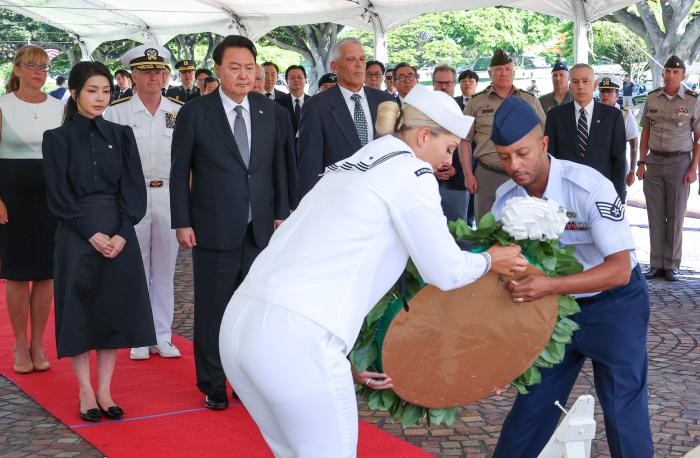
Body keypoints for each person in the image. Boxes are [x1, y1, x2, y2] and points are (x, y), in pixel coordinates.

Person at [219, 84, 527, 457]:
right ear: (423, 135)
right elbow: (444, 270)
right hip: (296, 337)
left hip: (241, 324)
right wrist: (492, 259)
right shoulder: (410, 171)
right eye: (447, 149)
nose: (445, 163)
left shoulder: (358, 161)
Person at [489, 96, 653, 458]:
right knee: (530, 410)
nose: (514, 166)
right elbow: (505, 277)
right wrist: (501, 351)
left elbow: (619, 269)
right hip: (554, 312)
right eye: (504, 157)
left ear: (543, 144)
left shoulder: (588, 186)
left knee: (622, 412)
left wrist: (548, 286)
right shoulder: (504, 201)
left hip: (615, 306)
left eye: (522, 153)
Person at [170, 35, 291, 411]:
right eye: (234, 68)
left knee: (256, 309)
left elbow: (280, 169)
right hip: (212, 226)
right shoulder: (195, 112)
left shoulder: (271, 112)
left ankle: (250, 379)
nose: (243, 75)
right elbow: (179, 172)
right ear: (219, 70)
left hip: (260, 230)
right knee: (214, 308)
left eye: (249, 68)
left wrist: (282, 215)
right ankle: (214, 381)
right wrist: (182, 221)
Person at [42, 61, 156, 422]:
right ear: (74, 93)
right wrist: (90, 233)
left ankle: (106, 390)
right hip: (77, 235)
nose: (100, 98)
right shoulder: (56, 139)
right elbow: (58, 196)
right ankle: (85, 390)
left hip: (118, 231)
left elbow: (134, 190)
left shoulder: (122, 135)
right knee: (78, 311)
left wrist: (122, 232)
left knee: (111, 311)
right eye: (92, 91)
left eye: (106, 91)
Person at [103, 44, 184, 361]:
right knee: (136, 267)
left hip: (168, 193)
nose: (154, 76)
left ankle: (162, 335)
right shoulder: (117, 112)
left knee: (165, 269)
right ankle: (138, 335)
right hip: (132, 195)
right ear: (132, 76)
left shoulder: (178, 112)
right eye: (146, 71)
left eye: (159, 70)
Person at [0, 45, 64, 374]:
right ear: (17, 69)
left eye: (43, 66)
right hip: (11, 198)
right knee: (16, 273)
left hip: (50, 199)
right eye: (31, 65)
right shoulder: (2, 105)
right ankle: (18, 343)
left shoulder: (59, 108)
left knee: (45, 274)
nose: (39, 71)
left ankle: (38, 342)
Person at [297, 38, 396, 196]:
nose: (359, 64)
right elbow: (310, 165)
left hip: (384, 194)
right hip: (340, 198)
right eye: (351, 59)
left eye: (362, 59)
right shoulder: (316, 107)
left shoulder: (385, 101)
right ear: (334, 66)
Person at [459, 49, 545, 221]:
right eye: (498, 69)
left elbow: (543, 138)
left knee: (525, 228)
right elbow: (464, 140)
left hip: (524, 174)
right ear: (490, 73)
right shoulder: (477, 102)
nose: (503, 73)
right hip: (487, 174)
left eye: (507, 69)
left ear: (514, 73)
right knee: (486, 228)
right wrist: (468, 174)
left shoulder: (529, 100)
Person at [636, 55, 700, 282]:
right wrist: (641, 161)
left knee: (675, 216)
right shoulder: (653, 98)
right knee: (654, 214)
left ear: (683, 76)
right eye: (667, 72)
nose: (670, 76)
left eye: (675, 73)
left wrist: (693, 168)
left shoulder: (692, 100)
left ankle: (671, 264)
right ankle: (656, 264)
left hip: (679, 163)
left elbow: (698, 138)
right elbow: (646, 131)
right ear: (662, 75)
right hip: (654, 162)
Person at [545, 64, 627, 200]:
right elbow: (549, 158)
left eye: (585, 81)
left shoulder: (613, 116)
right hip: (566, 194)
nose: (580, 86)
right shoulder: (555, 116)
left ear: (594, 85)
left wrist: (618, 199)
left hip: (601, 194)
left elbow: (619, 160)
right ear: (570, 87)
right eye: (575, 82)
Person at [432, 65, 468, 222]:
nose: (443, 87)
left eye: (448, 83)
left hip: (456, 183)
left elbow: (471, 147)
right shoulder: (421, 112)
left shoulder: (466, 111)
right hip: (428, 181)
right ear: (433, 84)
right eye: (439, 83)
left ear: (454, 84)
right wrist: (431, 169)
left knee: (459, 232)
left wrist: (456, 170)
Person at [597, 75, 640, 187]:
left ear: (617, 94)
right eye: (602, 91)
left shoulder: (625, 115)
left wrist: (632, 171)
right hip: (596, 165)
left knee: (618, 200)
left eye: (610, 91)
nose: (605, 95)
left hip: (617, 166)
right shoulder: (592, 112)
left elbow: (634, 145)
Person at [276, 65, 310, 134]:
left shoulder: (313, 102)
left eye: (299, 77)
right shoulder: (278, 104)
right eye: (292, 78)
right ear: (286, 81)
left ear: (305, 80)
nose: (296, 80)